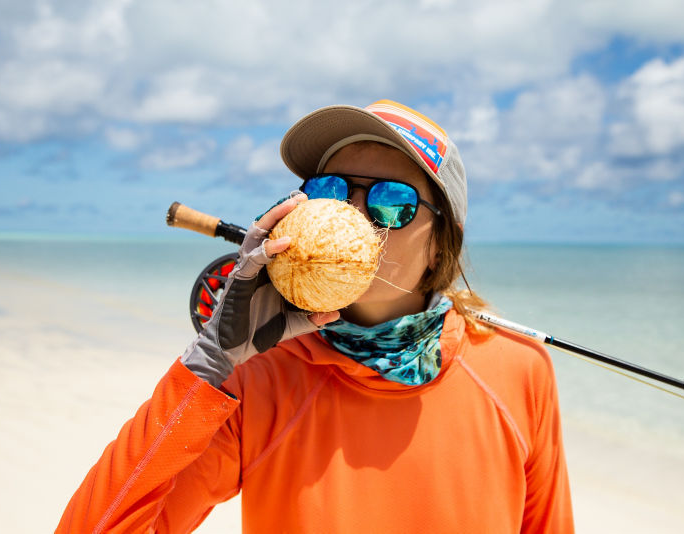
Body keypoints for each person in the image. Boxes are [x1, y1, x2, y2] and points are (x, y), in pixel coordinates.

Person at [57, 100, 573, 533]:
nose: (350, 215)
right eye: (331, 191)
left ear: (441, 242)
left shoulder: (520, 369)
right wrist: (208, 363)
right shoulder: (257, 378)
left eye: (393, 202)